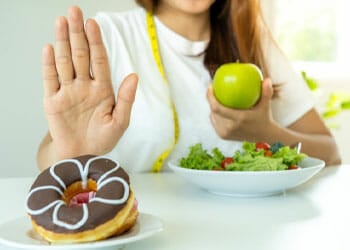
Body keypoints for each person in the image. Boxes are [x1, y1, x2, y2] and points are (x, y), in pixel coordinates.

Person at [37, 0, 341, 172]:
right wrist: (70, 154)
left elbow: (330, 153)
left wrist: (265, 132)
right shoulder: (110, 36)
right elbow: (47, 156)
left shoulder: (252, 40)